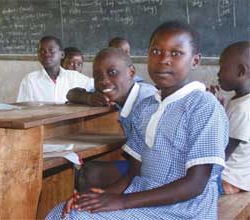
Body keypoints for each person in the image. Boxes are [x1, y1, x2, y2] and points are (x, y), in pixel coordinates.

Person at [46, 21, 228, 220]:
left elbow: (195, 184)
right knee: (64, 212)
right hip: (143, 194)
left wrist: (122, 202)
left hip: (185, 209)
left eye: (176, 53)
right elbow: (134, 171)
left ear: (195, 61)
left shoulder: (204, 106)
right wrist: (103, 196)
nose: (164, 60)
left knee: (76, 218)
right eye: (156, 52)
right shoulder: (146, 106)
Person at [66, 48, 157, 192]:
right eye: (97, 76)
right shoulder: (122, 92)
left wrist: (109, 195)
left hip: (156, 171)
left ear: (131, 73)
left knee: (87, 174)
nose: (104, 81)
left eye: (112, 73)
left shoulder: (146, 102)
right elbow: (71, 94)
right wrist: (89, 97)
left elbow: (150, 160)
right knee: (88, 168)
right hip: (141, 163)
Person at [213, 41, 250, 195]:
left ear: (241, 71)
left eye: (222, 68)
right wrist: (217, 109)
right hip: (229, 176)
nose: (218, 74)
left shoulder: (244, 109)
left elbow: (222, 153)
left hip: (229, 180)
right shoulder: (238, 100)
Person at [17, 36, 93, 103]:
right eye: (42, 51)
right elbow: (23, 109)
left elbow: (98, 86)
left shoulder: (74, 77)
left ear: (62, 55)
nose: (46, 54)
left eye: (51, 51)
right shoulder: (30, 80)